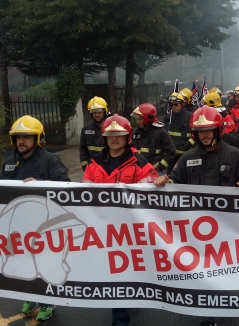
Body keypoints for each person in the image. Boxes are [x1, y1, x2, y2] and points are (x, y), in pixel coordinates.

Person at [154, 106, 239, 326]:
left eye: (209, 130)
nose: (205, 135)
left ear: (218, 130)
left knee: (226, 270)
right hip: (198, 230)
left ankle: (229, 306)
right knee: (205, 273)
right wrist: (165, 182)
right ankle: (209, 315)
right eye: (200, 131)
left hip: (229, 228)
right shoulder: (188, 157)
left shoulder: (234, 154)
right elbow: (174, 180)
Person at [0, 115, 70, 321]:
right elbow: (1, 189)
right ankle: (30, 295)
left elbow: (66, 189)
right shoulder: (9, 163)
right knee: (22, 264)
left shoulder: (50, 161)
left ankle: (47, 302)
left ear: (38, 139)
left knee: (42, 264)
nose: (21, 141)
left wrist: (41, 182)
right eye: (18, 137)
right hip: (18, 227)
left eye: (27, 137)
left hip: (43, 226)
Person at [82, 114, 158, 326]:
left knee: (121, 273)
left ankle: (120, 319)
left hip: (130, 232)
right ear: (104, 138)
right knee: (113, 273)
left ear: (128, 137)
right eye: (110, 135)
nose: (114, 139)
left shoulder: (139, 163)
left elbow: (152, 198)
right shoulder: (93, 164)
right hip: (103, 231)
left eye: (119, 135)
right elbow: (83, 197)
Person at [130, 103, 176, 175]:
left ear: (148, 118)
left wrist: (160, 166)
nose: (137, 122)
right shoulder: (136, 134)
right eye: (137, 119)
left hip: (156, 172)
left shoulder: (160, 132)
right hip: (140, 171)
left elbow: (171, 151)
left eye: (140, 119)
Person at [164, 92, 194, 171]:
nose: (174, 107)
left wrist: (188, 145)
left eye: (176, 104)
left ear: (182, 104)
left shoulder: (190, 116)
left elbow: (195, 135)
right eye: (171, 105)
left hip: (186, 156)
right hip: (171, 157)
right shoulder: (167, 118)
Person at [80, 96, 109, 170]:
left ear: (105, 111)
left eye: (99, 112)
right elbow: (83, 150)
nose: (97, 115)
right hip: (92, 168)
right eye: (94, 112)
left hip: (108, 167)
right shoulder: (85, 130)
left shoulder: (112, 127)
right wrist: (85, 167)